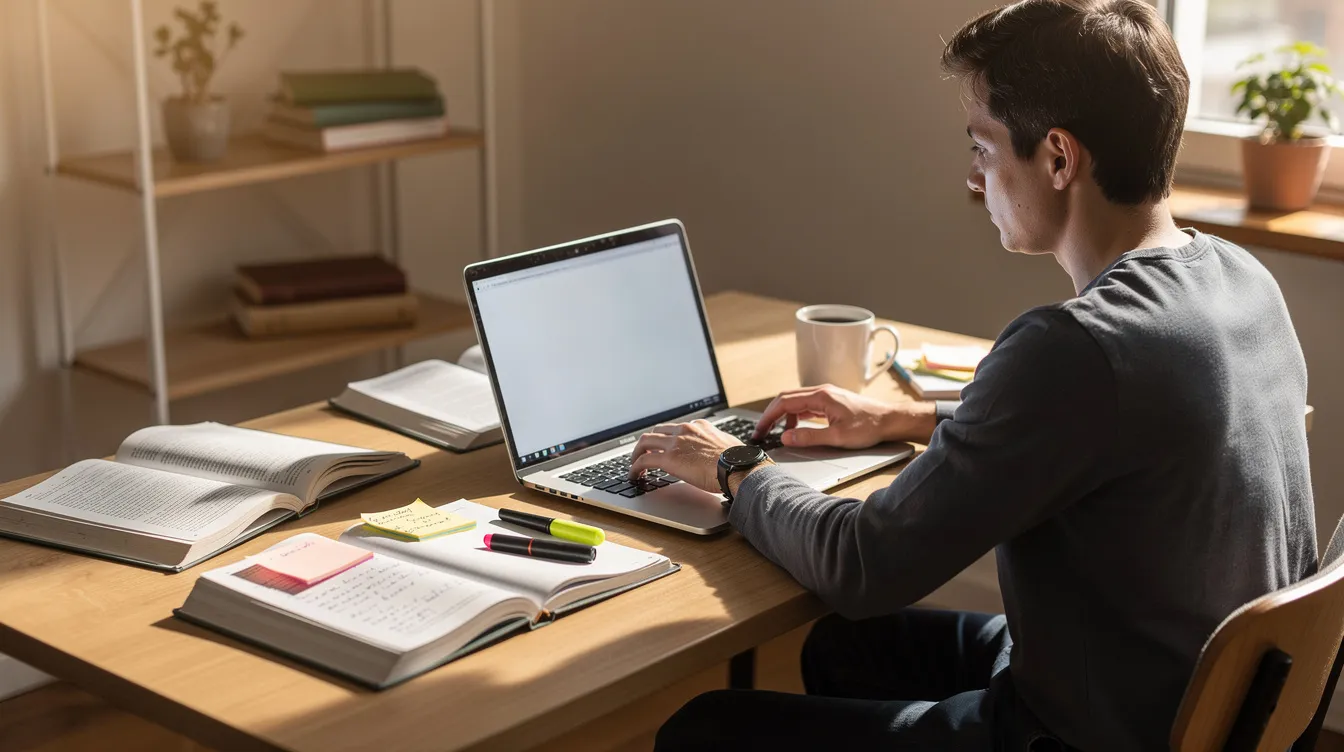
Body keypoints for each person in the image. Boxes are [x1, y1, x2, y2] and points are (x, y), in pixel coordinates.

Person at [634, 0, 1316, 749]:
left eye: (984, 147)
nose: (973, 175)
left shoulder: (1072, 348)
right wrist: (905, 418)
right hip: (1180, 693)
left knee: (706, 729)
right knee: (844, 648)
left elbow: (865, 566)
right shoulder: (1239, 280)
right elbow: (1116, 423)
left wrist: (734, 466)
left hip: (1085, 729)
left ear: (1059, 158)